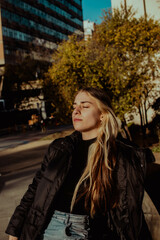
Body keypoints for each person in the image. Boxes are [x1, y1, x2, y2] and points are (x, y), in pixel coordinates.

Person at [6, 87, 160, 240]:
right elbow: (34, 190)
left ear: (102, 114)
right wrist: (15, 229)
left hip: (92, 231)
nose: (76, 111)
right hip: (47, 228)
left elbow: (131, 210)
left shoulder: (125, 155)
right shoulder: (59, 148)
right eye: (74, 106)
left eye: (85, 106)